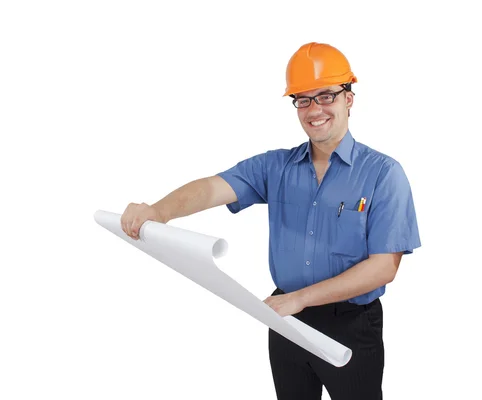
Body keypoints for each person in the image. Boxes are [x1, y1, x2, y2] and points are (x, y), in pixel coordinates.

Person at [120, 42, 421, 400]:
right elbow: (213, 188)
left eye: (326, 95)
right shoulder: (275, 167)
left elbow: (383, 267)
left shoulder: (384, 174)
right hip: (284, 318)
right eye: (303, 99)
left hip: (350, 325)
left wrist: (301, 299)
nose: (314, 109)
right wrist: (158, 212)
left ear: (349, 99)